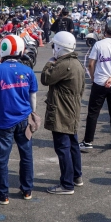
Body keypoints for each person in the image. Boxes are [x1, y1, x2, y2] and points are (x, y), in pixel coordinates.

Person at [0, 35, 38, 204]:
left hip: (4, 121)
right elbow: (32, 97)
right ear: (21, 50)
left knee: (2, 159)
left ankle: (2, 193)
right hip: (24, 120)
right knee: (26, 155)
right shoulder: (28, 70)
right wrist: (32, 114)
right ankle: (27, 190)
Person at [41, 32, 85, 194]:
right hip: (71, 109)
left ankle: (67, 184)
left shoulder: (64, 64)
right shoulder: (76, 63)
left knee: (63, 147)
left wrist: (49, 63)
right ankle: (76, 176)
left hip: (62, 111)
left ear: (59, 47)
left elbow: (46, 78)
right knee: (72, 144)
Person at [81, 19, 111, 151]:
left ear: (105, 30)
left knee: (93, 113)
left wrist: (93, 77)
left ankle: (88, 141)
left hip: (99, 83)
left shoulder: (99, 45)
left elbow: (91, 64)